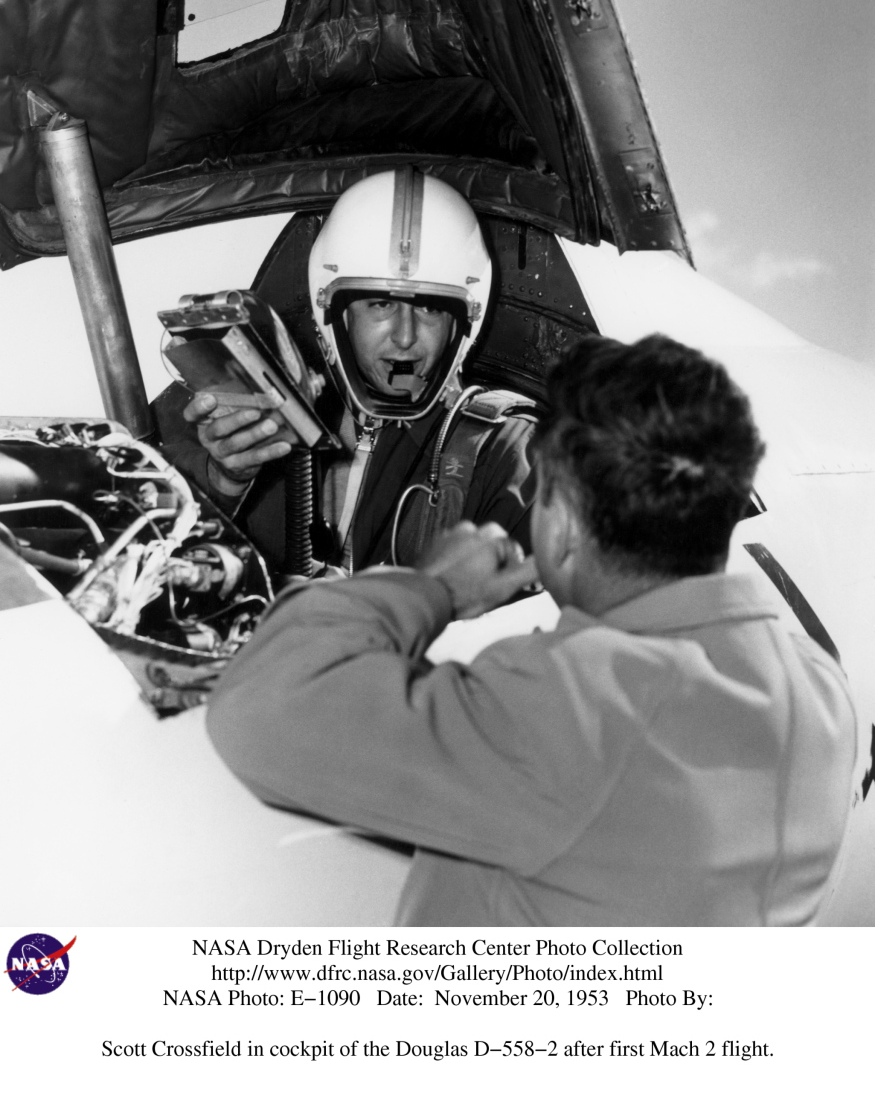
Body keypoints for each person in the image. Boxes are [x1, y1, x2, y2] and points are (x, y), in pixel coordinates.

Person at [206, 333, 856, 926]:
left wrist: (433, 587)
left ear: (565, 525)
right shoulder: (819, 689)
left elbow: (261, 707)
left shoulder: (573, 703)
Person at [156, 169, 537, 575]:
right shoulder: (263, 415)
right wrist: (225, 479)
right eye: (380, 305)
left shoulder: (506, 451)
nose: (405, 337)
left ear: (463, 324)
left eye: (429, 308)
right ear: (336, 316)